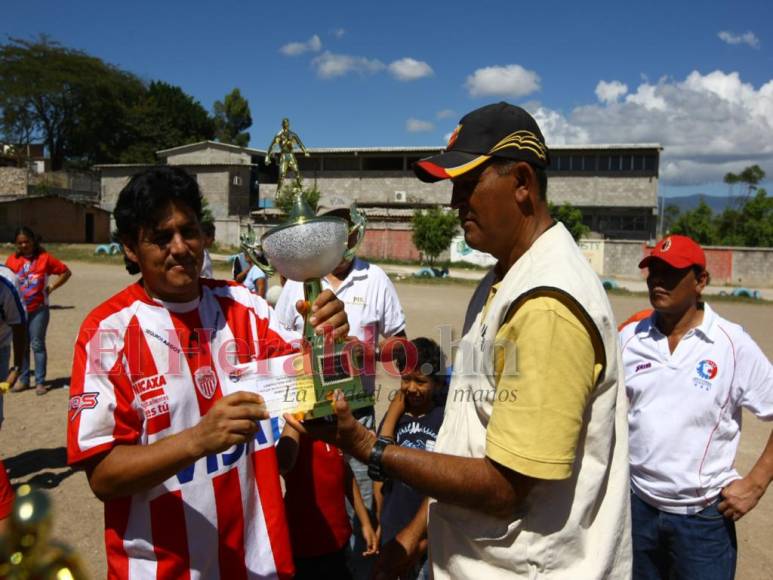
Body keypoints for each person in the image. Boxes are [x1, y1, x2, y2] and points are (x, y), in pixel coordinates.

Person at [286, 102, 632, 579]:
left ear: (523, 183)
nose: (454, 203)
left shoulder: (548, 304)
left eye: (468, 185)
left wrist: (371, 447)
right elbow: (468, 437)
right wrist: (411, 538)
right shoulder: (504, 278)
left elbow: (505, 486)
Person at [66, 166, 351, 579]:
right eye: (162, 237)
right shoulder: (106, 332)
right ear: (130, 247)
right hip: (164, 570)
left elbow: (306, 384)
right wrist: (197, 440)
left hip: (259, 565)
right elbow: (104, 477)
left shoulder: (245, 307)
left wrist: (330, 335)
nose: (181, 248)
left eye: (189, 231)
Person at [620, 235, 773, 580]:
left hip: (702, 522)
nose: (658, 281)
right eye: (653, 271)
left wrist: (756, 484)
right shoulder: (629, 339)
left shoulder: (732, 344)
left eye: (671, 273)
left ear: (700, 281)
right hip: (637, 512)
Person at [274, 203, 406, 577]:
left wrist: (363, 352)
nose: (339, 239)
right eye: (329, 231)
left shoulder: (376, 279)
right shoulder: (297, 283)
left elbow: (401, 347)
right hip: (306, 419)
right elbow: (277, 346)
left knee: (364, 502)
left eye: (345, 232)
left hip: (358, 415)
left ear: (353, 235)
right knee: (315, 508)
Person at [374, 337, 447, 579]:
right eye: (406, 379)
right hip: (394, 529)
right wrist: (380, 519)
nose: (412, 388)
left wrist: (424, 543)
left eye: (421, 381)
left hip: (430, 537)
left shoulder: (444, 418)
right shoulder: (396, 417)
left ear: (437, 384)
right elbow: (379, 470)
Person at [276, 423, 378, 579]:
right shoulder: (290, 434)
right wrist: (296, 416)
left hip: (340, 543)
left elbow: (345, 472)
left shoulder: (333, 428)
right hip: (304, 549)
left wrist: (365, 522)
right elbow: (284, 461)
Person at [6, 226, 71, 395]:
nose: (24, 245)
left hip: (39, 309)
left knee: (37, 344)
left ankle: (40, 382)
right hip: (19, 310)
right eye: (20, 243)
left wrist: (51, 287)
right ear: (16, 244)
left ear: (33, 241)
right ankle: (24, 380)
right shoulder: (12, 261)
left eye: (27, 241)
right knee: (22, 345)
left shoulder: (45, 258)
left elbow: (65, 272)